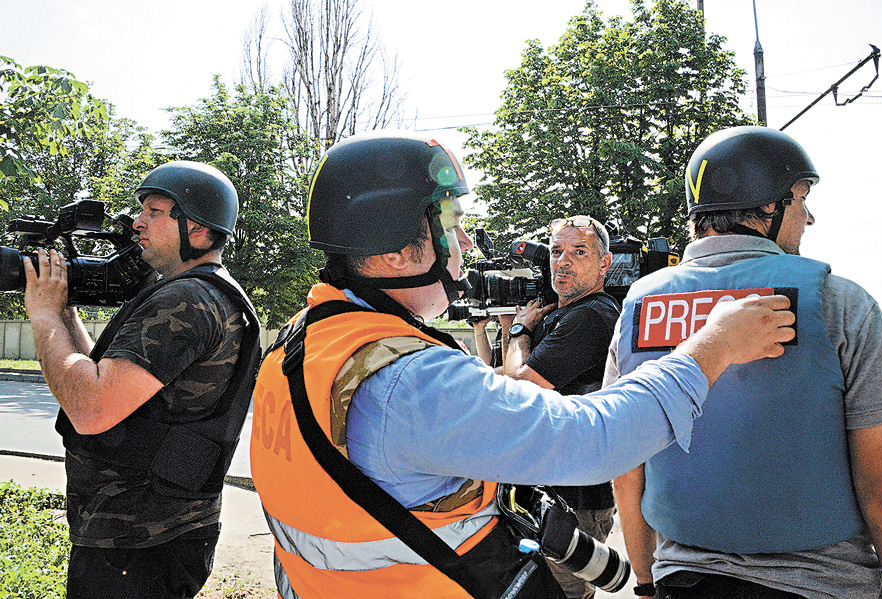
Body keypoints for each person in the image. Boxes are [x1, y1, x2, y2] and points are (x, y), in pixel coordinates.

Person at [249, 132, 796, 599]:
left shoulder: (303, 343)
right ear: (394, 248)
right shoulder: (407, 380)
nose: (464, 241)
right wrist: (714, 346)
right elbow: (593, 439)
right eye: (450, 221)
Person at [608, 126, 882, 599]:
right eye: (801, 199)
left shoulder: (640, 306)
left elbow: (627, 467)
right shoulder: (840, 303)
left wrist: (645, 581)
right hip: (822, 584)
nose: (808, 217)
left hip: (682, 580)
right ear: (770, 206)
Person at [23, 161, 261, 599]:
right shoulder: (203, 292)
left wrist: (41, 315)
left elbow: (91, 407)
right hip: (154, 532)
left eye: (154, 211)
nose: (137, 222)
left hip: (138, 541)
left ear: (199, 229)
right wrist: (62, 308)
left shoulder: (186, 301)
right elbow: (97, 370)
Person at [503, 214, 620, 599]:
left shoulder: (591, 316)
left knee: (564, 594)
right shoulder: (563, 313)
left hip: (578, 496)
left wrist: (519, 330)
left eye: (578, 252)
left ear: (604, 264)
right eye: (556, 252)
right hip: (554, 484)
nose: (563, 261)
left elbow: (517, 386)